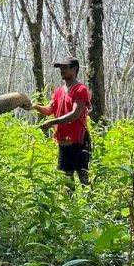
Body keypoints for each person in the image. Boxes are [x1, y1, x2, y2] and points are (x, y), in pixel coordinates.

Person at [32, 56, 92, 186]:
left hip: (78, 140)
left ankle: (91, 204)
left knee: (83, 177)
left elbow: (75, 114)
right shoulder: (58, 92)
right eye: (60, 67)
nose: (62, 70)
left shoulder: (81, 90)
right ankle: (70, 205)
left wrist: (52, 122)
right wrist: (35, 106)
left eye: (65, 67)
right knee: (66, 178)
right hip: (63, 141)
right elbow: (49, 110)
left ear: (74, 69)